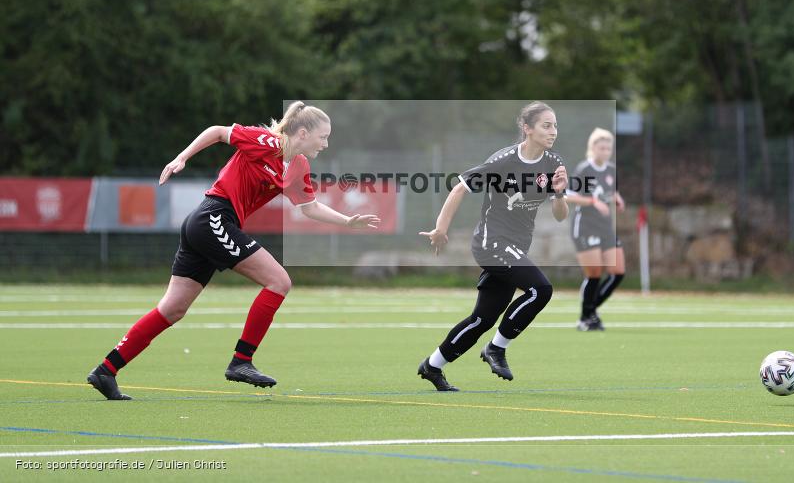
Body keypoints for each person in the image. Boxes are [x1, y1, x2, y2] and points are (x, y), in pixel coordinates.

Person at [86, 101, 380, 400]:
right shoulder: (267, 142)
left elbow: (309, 207)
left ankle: (106, 370)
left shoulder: (299, 165)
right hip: (213, 217)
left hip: (209, 225)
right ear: (303, 133)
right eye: (323, 137)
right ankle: (242, 360)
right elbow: (217, 132)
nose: (326, 144)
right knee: (279, 281)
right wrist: (182, 158)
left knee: (173, 308)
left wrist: (348, 221)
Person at [417, 102, 568, 391]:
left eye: (555, 125)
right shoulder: (503, 161)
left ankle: (432, 365)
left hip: (516, 247)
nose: (553, 131)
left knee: (482, 318)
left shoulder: (553, 162)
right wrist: (440, 229)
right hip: (491, 243)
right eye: (546, 125)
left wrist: (560, 194)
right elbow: (460, 186)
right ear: (527, 128)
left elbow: (561, 216)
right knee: (541, 290)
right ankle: (496, 349)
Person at [566, 128, 626, 331]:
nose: (606, 151)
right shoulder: (584, 169)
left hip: (605, 227)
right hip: (585, 226)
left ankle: (590, 311)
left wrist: (617, 198)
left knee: (618, 272)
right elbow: (567, 196)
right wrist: (592, 201)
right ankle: (586, 318)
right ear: (593, 148)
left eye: (609, 148)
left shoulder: (611, 169)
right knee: (594, 274)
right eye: (602, 147)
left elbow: (611, 190)